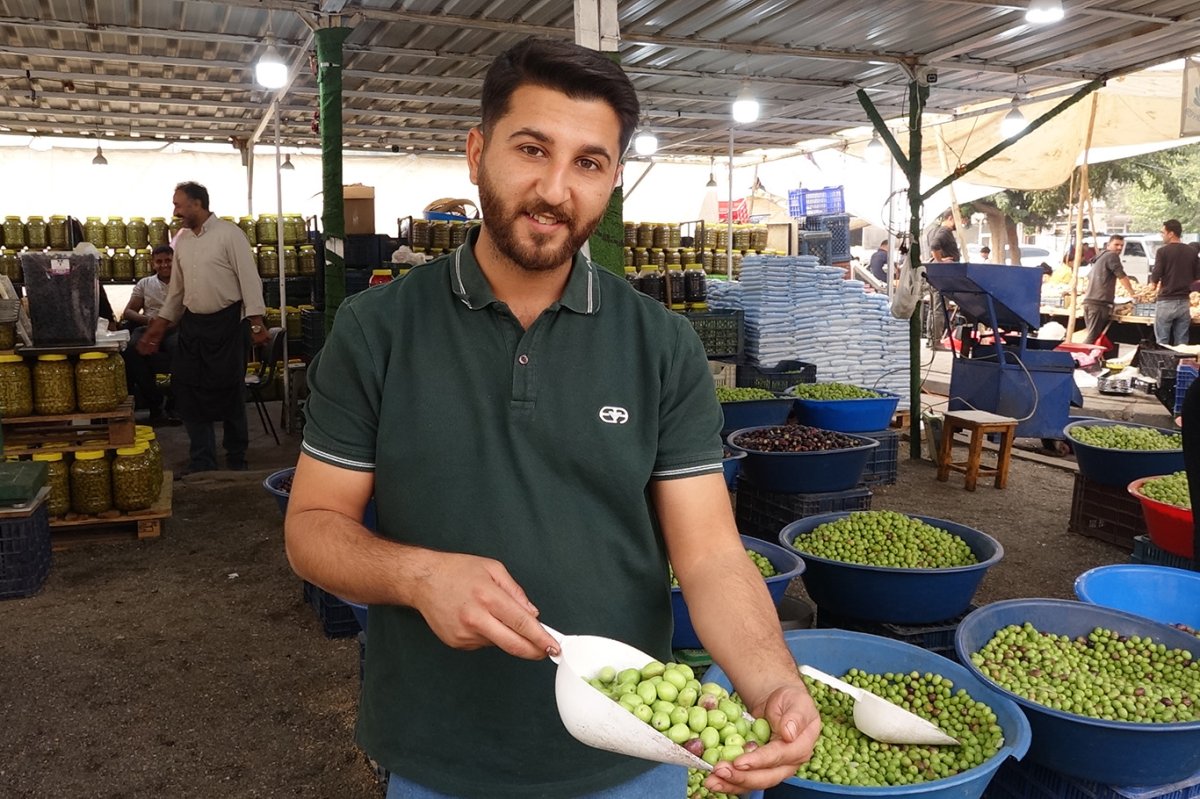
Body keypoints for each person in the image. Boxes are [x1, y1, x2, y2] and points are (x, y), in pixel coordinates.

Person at [284, 38, 821, 799]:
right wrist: (419, 574)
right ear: (476, 152)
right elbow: (311, 526)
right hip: (440, 752)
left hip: (630, 748)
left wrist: (771, 683)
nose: (554, 189)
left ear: (612, 182)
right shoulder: (379, 329)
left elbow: (706, 554)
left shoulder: (660, 344)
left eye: (588, 163)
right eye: (531, 149)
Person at [137, 182, 269, 472]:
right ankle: (203, 459)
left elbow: (250, 279)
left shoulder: (229, 234)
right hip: (194, 326)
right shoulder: (181, 240)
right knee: (186, 386)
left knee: (229, 390)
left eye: (179, 204)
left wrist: (257, 323)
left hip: (227, 325)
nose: (175, 211)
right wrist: (157, 328)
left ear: (197, 204)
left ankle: (236, 458)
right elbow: (177, 292)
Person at [123, 245, 176, 422]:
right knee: (131, 349)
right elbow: (129, 312)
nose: (164, 265)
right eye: (159, 261)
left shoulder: (184, 283)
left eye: (168, 260)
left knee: (181, 348)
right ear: (153, 264)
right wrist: (148, 321)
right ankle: (155, 404)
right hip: (149, 326)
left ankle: (175, 406)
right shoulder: (145, 283)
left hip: (175, 328)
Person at [1148, 219, 1200, 346]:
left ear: (1171, 233)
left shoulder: (1162, 251)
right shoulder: (1192, 252)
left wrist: (1153, 284)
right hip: (1184, 303)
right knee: (1182, 343)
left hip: (1166, 301)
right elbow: (1197, 277)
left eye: (1163, 232)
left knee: (1162, 342)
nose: (1162, 235)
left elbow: (1156, 273)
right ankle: (1180, 365)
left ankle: (1163, 365)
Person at [1081, 235, 1135, 346]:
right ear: (1108, 244)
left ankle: (1088, 358)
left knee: (1093, 335)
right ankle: (1080, 358)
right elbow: (1121, 276)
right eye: (1116, 244)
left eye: (1121, 245)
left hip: (1090, 302)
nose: (1119, 248)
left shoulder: (1100, 256)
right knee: (1092, 337)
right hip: (1098, 303)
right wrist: (1132, 293)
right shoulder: (1112, 256)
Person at [925, 214, 959, 350]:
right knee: (939, 309)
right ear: (951, 217)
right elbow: (935, 245)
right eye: (960, 220)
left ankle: (931, 339)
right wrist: (940, 261)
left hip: (935, 273)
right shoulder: (945, 231)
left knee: (934, 309)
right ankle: (935, 341)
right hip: (942, 274)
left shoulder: (933, 230)